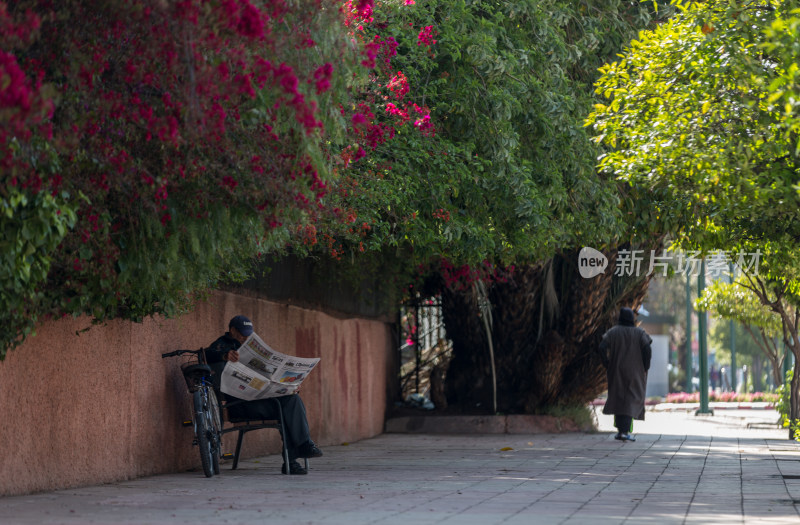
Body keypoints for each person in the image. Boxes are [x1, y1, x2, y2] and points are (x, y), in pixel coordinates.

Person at [206, 315, 323, 475]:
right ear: (232, 331)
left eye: (248, 333)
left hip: (262, 400)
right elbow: (207, 354)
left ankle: (300, 449)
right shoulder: (221, 345)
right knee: (284, 410)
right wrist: (224, 356)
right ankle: (295, 456)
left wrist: (289, 386)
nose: (245, 337)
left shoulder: (252, 346)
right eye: (242, 333)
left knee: (292, 399)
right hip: (240, 405)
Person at [599, 307, 652, 442]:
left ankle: (621, 431)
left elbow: (601, 347)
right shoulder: (639, 333)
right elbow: (647, 349)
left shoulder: (613, 332)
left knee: (619, 398)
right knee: (631, 399)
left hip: (616, 370)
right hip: (635, 372)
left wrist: (607, 363)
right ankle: (624, 432)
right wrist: (645, 366)